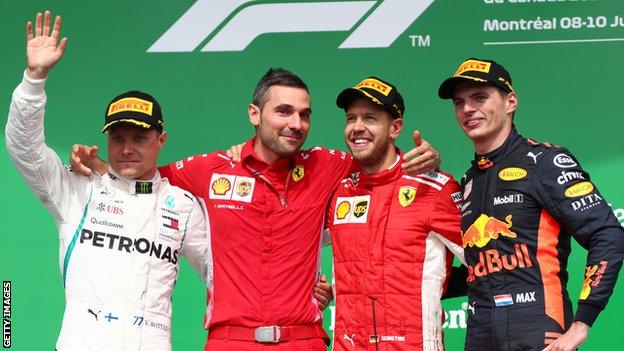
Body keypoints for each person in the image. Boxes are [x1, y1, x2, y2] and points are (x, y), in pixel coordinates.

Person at [73, 68, 442, 350]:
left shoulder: (329, 165)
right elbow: (146, 180)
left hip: (305, 339)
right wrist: (102, 167)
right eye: (283, 111)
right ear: (254, 113)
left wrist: (427, 161)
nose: (296, 124)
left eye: (304, 114)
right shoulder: (212, 169)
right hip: (231, 340)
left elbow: (379, 163)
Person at [5, 11, 208, 351]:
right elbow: (24, 149)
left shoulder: (182, 205)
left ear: (162, 140)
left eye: (140, 138)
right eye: (117, 138)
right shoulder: (77, 188)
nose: (127, 149)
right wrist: (34, 80)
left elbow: (224, 272)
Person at [437, 57, 624, 351]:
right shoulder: (469, 180)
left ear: (510, 102)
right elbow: (479, 271)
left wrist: (583, 321)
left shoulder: (545, 162)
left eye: (479, 98)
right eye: (459, 102)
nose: (468, 109)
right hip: (481, 334)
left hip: (539, 331)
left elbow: (608, 234)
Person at [325, 76, 465, 351]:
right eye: (351, 118)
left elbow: (487, 262)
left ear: (395, 127)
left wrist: (436, 284)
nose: (357, 127)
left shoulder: (435, 188)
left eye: (370, 118)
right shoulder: (340, 191)